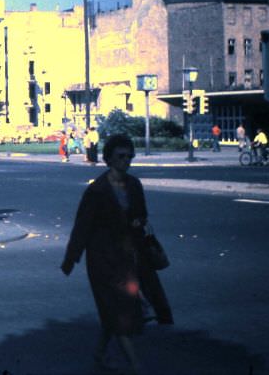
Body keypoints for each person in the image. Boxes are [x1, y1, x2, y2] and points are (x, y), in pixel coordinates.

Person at [61, 134, 172, 373]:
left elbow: (142, 214)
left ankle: (100, 356)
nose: (126, 161)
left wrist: (137, 222)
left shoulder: (134, 184)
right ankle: (135, 367)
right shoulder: (97, 190)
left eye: (129, 156)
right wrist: (71, 258)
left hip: (131, 256)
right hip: (103, 259)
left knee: (115, 311)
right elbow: (83, 226)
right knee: (119, 313)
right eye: (121, 156)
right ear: (109, 158)